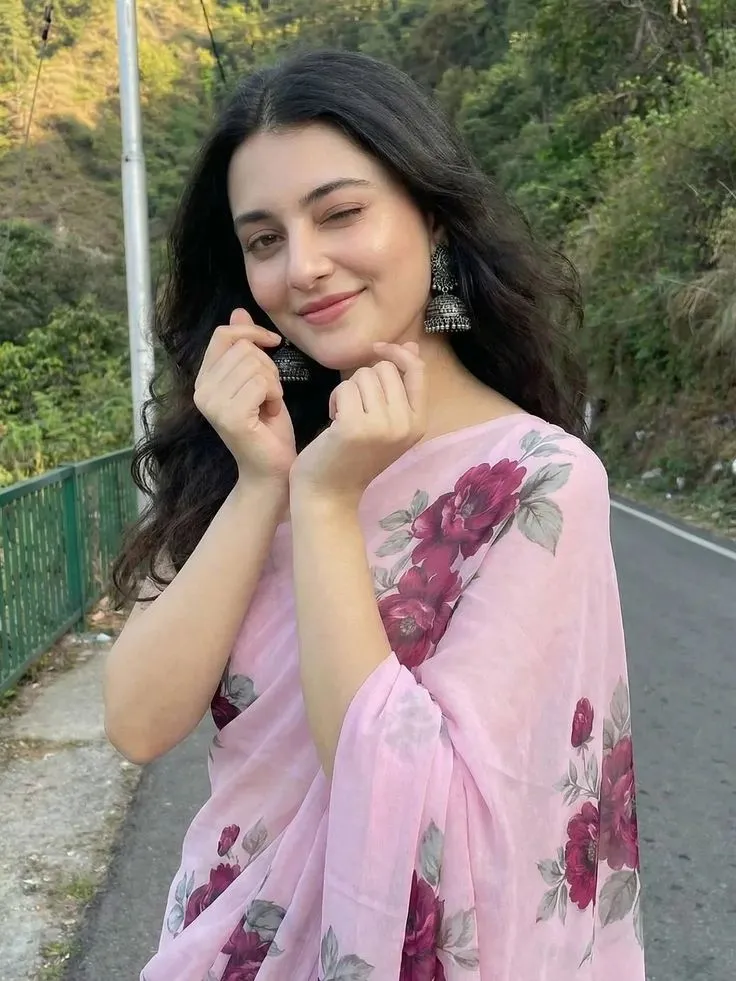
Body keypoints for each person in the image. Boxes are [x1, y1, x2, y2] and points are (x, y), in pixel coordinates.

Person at [106, 47, 645, 981]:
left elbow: (437, 821)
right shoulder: (261, 457)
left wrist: (327, 502)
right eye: (265, 239)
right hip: (218, 945)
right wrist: (269, 480)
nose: (304, 266)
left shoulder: (539, 481)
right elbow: (141, 722)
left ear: (430, 221)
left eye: (341, 213)